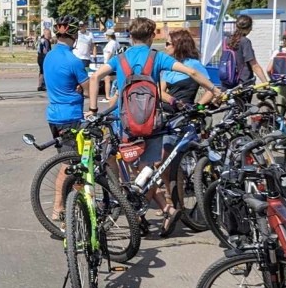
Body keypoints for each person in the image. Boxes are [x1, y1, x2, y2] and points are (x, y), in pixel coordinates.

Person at [87, 17, 221, 234]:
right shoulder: (157, 58)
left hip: (126, 124)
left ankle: (140, 215)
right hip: (152, 123)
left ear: (130, 37)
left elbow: (94, 78)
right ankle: (163, 209)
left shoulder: (120, 59)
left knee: (133, 172)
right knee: (147, 169)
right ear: (151, 37)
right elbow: (193, 73)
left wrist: (93, 111)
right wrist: (214, 90)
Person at [42, 17, 90, 223]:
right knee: (72, 164)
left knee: (67, 160)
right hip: (70, 116)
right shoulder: (74, 61)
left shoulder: (49, 57)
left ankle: (69, 205)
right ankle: (60, 207)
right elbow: (89, 88)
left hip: (54, 115)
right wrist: (81, 90)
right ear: (74, 35)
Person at [160, 29, 213, 107]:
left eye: (168, 44)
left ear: (178, 45)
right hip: (168, 111)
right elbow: (160, 91)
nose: (165, 47)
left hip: (186, 114)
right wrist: (174, 101)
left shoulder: (194, 64)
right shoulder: (170, 65)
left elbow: (210, 90)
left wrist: (198, 106)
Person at [220, 15, 270, 88]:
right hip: (243, 83)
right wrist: (265, 83)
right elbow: (254, 65)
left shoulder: (226, 40)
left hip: (227, 81)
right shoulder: (245, 41)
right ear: (249, 28)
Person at [101, 31, 121, 97]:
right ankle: (113, 94)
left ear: (108, 35)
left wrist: (106, 63)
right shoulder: (115, 42)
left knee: (107, 80)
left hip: (109, 63)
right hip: (114, 63)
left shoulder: (111, 43)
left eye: (106, 35)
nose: (105, 36)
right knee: (114, 79)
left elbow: (110, 53)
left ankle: (108, 96)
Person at [36, 28, 52, 92]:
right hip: (43, 57)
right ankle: (43, 85)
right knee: (44, 71)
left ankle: (40, 85)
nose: (50, 35)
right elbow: (46, 51)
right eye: (49, 34)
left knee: (41, 71)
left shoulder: (41, 39)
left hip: (39, 57)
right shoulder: (45, 41)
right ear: (45, 33)